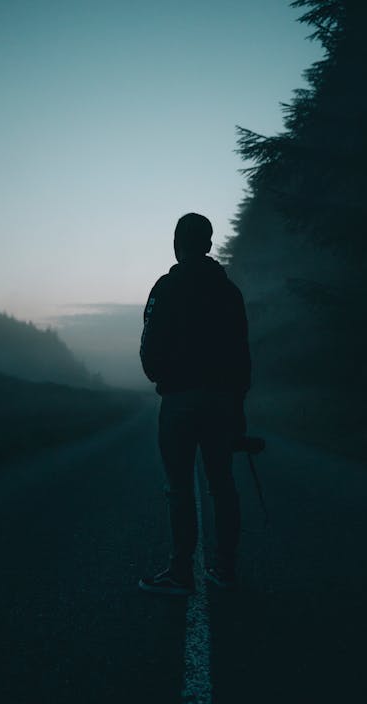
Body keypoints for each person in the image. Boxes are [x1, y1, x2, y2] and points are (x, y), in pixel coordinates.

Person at [138, 213, 251, 595]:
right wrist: (237, 405)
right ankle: (225, 569)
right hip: (221, 401)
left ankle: (181, 571)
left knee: (180, 487)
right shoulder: (229, 291)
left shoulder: (166, 287)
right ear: (208, 243)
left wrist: (161, 376)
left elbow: (149, 343)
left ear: (178, 243)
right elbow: (242, 354)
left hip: (179, 400)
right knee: (222, 484)